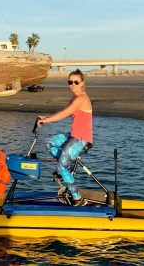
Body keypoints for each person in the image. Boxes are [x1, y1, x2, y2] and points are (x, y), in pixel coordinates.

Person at [38, 69, 93, 206]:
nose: (73, 85)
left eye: (76, 82)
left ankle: (77, 198)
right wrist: (46, 117)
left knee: (61, 166)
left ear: (82, 83)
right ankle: (64, 169)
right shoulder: (75, 98)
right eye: (70, 82)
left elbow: (64, 114)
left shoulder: (81, 99)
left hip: (81, 139)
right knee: (49, 142)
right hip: (73, 136)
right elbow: (64, 111)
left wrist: (47, 121)